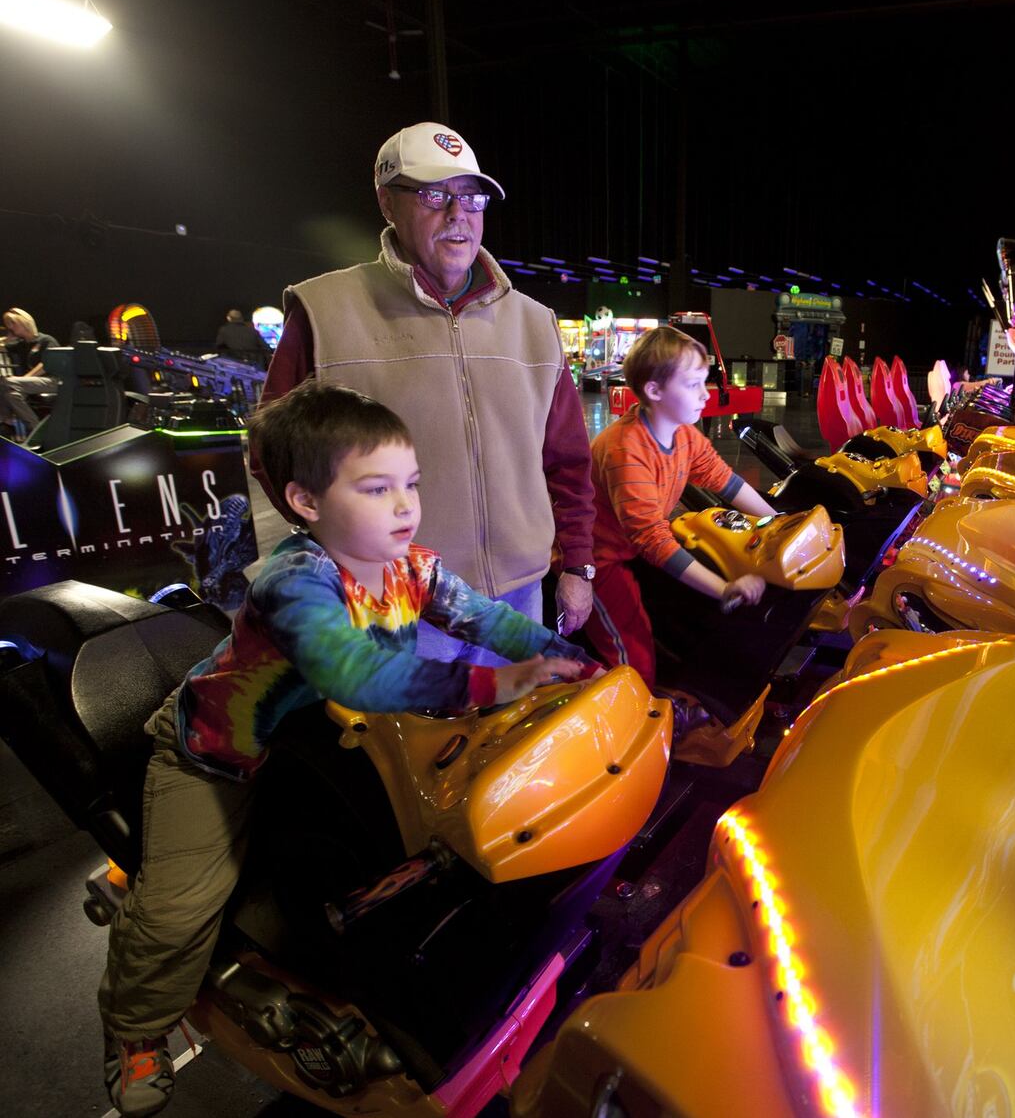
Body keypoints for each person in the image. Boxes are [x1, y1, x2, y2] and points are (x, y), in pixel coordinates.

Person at [98, 381, 591, 1117]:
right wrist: (498, 683)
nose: (405, 506)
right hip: (222, 752)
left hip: (323, 748)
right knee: (179, 905)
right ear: (305, 502)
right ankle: (135, 1029)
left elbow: (482, 615)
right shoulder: (296, 581)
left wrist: (563, 658)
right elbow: (354, 671)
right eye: (377, 488)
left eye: (412, 485)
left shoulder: (410, 567)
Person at [257, 122, 596, 664]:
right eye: (434, 195)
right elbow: (270, 454)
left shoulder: (535, 323)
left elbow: (568, 462)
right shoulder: (326, 310)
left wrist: (579, 566)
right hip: (396, 611)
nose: (457, 214)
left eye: (471, 196)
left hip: (518, 601)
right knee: (416, 747)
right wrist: (337, 555)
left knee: (519, 742)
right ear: (388, 203)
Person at [585, 326, 776, 688]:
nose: (706, 394)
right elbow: (650, 538)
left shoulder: (685, 435)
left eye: (705, 382)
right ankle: (636, 714)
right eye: (692, 385)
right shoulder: (626, 449)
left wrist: (777, 521)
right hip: (599, 559)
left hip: (634, 546)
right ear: (654, 391)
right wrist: (723, 588)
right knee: (634, 654)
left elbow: (725, 480)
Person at [1, 307, 60, 441]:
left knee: (6, 381)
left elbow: (45, 365)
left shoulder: (46, 340)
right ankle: (36, 429)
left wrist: (24, 379)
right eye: (9, 326)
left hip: (52, 381)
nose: (11, 329)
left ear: (24, 323)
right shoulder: (21, 344)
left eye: (13, 325)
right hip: (29, 384)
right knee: (11, 395)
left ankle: (5, 420)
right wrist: (6, 339)